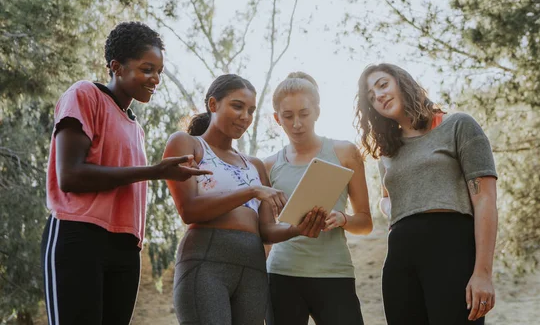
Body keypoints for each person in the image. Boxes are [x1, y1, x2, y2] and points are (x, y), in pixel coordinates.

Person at [41, 22, 209, 325]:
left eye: (159, 71)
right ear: (116, 67)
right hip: (79, 237)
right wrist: (153, 172)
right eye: (147, 69)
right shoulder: (85, 95)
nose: (156, 79)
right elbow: (71, 175)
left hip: (124, 247)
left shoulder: (135, 127)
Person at [355, 63, 498, 324]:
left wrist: (483, 273)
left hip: (452, 251)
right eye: (371, 96)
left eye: (383, 85)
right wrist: (394, 208)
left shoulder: (458, 125)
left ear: (403, 82)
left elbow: (485, 199)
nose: (379, 96)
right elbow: (386, 198)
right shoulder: (388, 152)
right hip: (400, 258)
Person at [164, 74, 312, 325]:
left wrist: (299, 228)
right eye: (237, 106)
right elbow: (189, 210)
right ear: (213, 105)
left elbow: (266, 230)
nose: (245, 116)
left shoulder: (254, 165)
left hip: (253, 269)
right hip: (205, 262)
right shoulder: (188, 144)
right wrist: (251, 191)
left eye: (251, 110)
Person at [260, 72, 373, 325]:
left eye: (304, 113)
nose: (297, 123)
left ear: (318, 112)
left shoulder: (344, 152)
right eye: (288, 116)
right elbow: (266, 234)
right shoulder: (268, 166)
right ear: (278, 118)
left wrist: (342, 219)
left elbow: (365, 222)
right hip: (281, 275)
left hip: (334, 273)